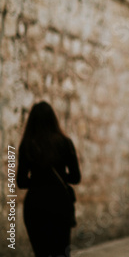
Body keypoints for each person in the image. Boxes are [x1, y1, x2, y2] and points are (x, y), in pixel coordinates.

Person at [17, 101, 81, 257]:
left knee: (41, 253)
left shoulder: (27, 145)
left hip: (35, 205)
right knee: (61, 252)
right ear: (53, 119)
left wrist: (39, 179)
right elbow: (75, 177)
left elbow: (21, 181)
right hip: (60, 204)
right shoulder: (65, 143)